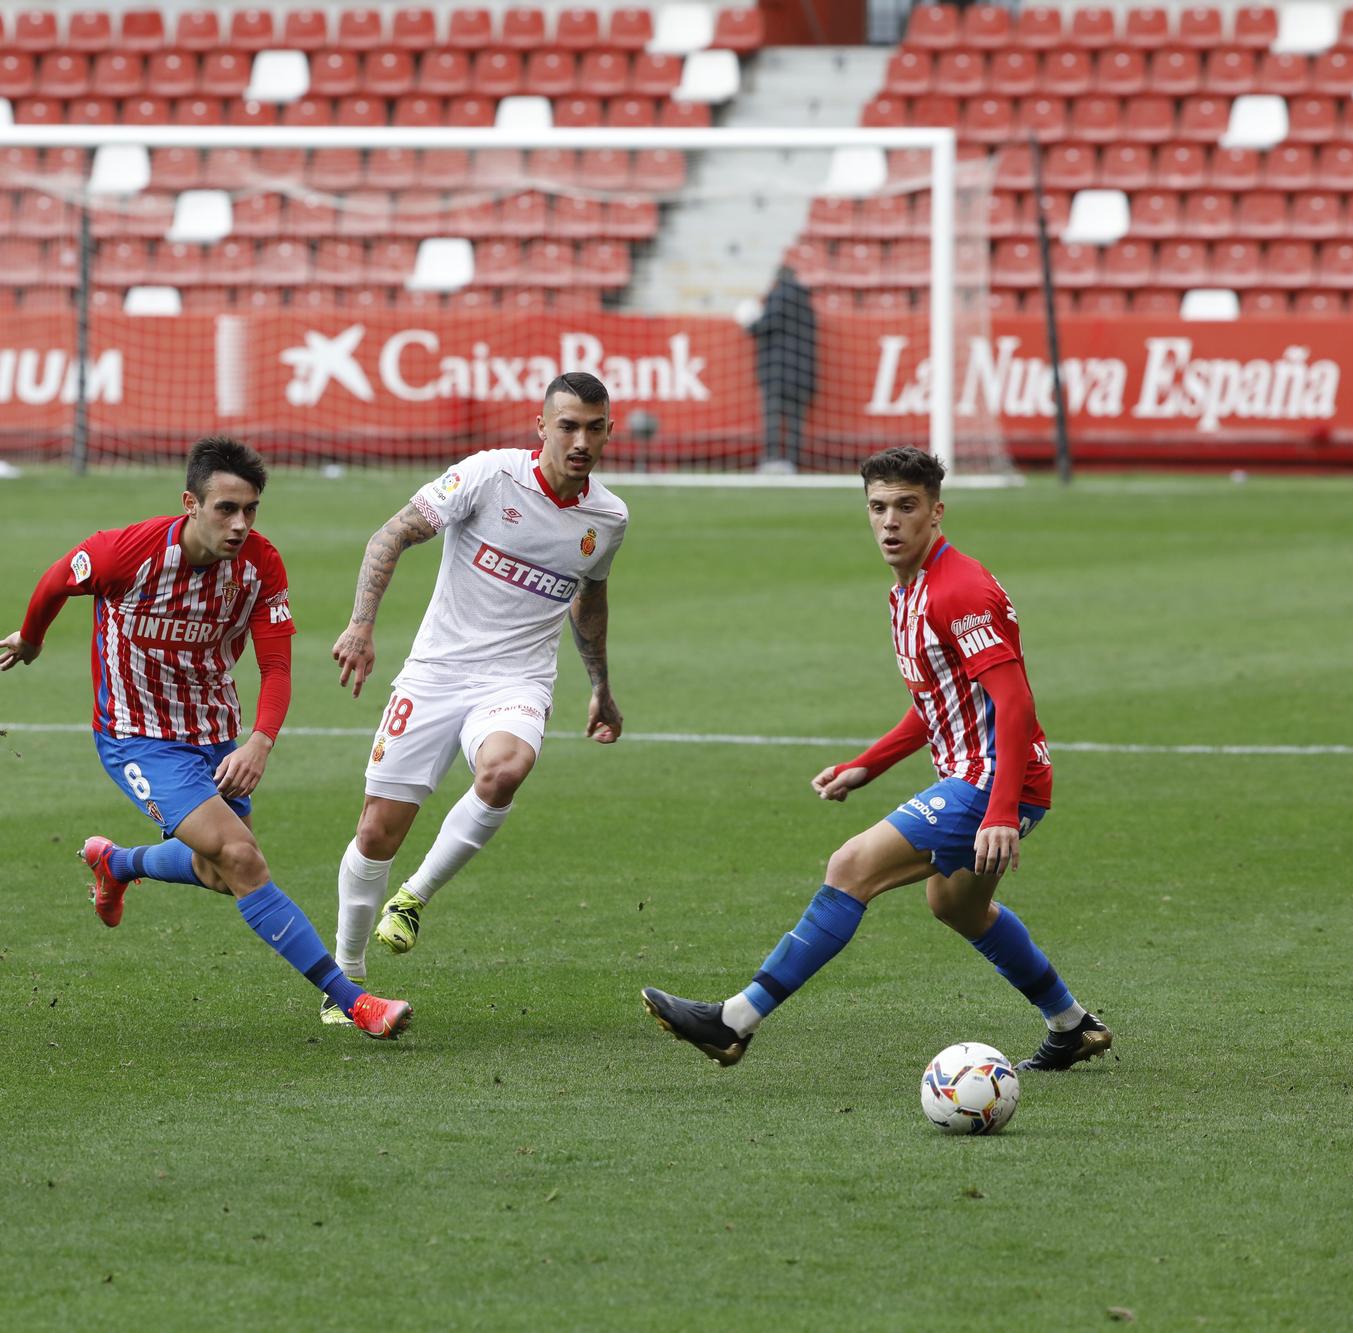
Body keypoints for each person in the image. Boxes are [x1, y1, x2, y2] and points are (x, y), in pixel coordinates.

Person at [643, 446, 1112, 1073]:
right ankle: (1072, 1025)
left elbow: (1014, 700)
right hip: (986, 778)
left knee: (851, 866)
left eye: (906, 507)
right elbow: (937, 701)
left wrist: (999, 810)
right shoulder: (910, 592)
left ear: (936, 512)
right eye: (878, 507)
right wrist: (870, 763)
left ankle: (734, 1022)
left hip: (990, 781)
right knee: (957, 906)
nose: (890, 522)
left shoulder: (960, 589)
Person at [0, 437, 412, 1041]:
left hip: (216, 735)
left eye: (251, 510)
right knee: (241, 859)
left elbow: (278, 668)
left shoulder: (261, 565)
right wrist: (31, 637)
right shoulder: (123, 552)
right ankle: (354, 1000)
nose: (240, 524)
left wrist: (259, 740)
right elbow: (58, 579)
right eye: (226, 509)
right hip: (137, 738)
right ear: (191, 503)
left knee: (218, 874)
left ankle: (118, 863)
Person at [325, 372, 629, 1024]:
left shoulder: (607, 518)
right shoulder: (489, 477)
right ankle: (346, 978)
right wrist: (360, 623)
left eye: (593, 427)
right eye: (568, 425)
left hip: (515, 681)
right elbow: (393, 534)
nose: (580, 441)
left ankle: (412, 897)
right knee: (377, 830)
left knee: (505, 768)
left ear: (609, 431)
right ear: (540, 426)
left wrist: (600, 685)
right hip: (435, 674)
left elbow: (591, 599)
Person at [740, 263, 818, 476]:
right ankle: (792, 463)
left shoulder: (778, 297)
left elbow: (764, 325)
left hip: (777, 371)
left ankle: (771, 461)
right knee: (795, 421)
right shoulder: (807, 302)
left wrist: (747, 325)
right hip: (803, 372)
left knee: (773, 418)